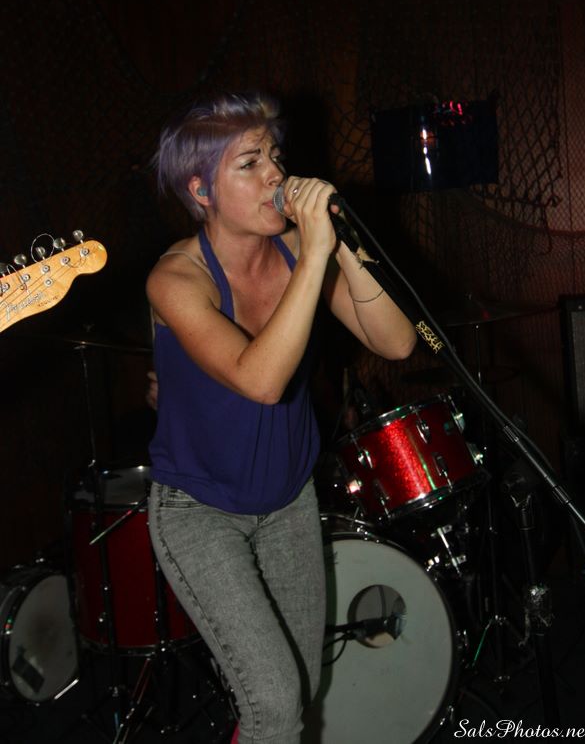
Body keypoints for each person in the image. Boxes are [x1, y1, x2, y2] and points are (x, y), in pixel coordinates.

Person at [145, 92, 417, 744]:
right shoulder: (176, 279)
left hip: (288, 499)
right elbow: (260, 382)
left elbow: (398, 342)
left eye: (275, 155)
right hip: (200, 512)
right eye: (250, 163)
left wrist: (336, 245)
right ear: (201, 190)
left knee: (301, 687)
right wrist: (315, 253)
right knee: (273, 699)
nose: (276, 174)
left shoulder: (299, 251)